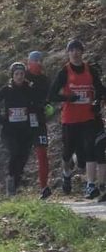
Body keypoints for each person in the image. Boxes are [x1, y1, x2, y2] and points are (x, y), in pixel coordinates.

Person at [49, 39, 104, 199]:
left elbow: (99, 89)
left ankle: (90, 186)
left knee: (88, 152)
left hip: (87, 118)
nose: (75, 52)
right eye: (72, 50)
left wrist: (96, 102)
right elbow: (51, 95)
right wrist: (67, 97)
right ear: (68, 53)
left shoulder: (90, 70)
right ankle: (66, 174)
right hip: (70, 119)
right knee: (67, 154)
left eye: (78, 49)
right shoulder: (64, 72)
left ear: (82, 52)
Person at [0, 63, 37, 196]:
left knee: (23, 156)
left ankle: (16, 184)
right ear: (12, 75)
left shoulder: (29, 89)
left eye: (22, 74)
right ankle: (11, 180)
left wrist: (34, 118)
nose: (19, 77)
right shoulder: (6, 89)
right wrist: (0, 117)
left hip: (25, 130)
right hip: (9, 130)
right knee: (14, 152)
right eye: (17, 74)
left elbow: (36, 105)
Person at [26, 51, 53, 199]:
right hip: (23, 122)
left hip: (39, 121)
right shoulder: (21, 76)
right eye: (35, 60)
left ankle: (44, 187)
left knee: (42, 154)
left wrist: (47, 105)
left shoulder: (45, 80)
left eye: (40, 60)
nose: (38, 63)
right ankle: (13, 185)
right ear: (28, 62)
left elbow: (49, 97)